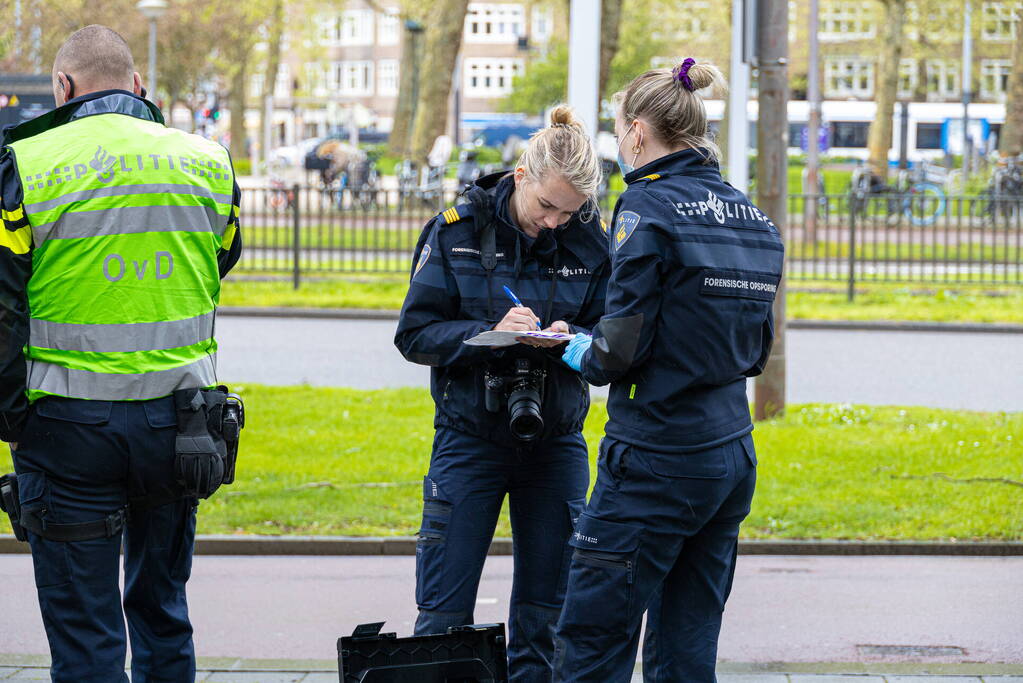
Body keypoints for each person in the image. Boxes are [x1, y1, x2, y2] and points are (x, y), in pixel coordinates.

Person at [0, 25, 242, 682]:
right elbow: (222, 256)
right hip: (182, 426)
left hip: (67, 428)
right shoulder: (207, 160)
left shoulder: (29, 163)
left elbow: (2, 303)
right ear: (140, 86)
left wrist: (12, 417)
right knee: (163, 609)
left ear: (63, 87)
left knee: (86, 634)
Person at [552, 59, 785, 682]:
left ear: (635, 132)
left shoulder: (645, 208)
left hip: (656, 455)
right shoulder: (753, 218)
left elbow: (616, 351)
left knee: (593, 638)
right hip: (731, 454)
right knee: (687, 645)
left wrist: (579, 347)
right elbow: (757, 349)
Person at [394, 105, 610, 682]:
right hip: (469, 439)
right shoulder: (457, 229)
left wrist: (578, 338)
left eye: (570, 212)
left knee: (549, 616)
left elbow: (617, 340)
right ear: (521, 176)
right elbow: (413, 334)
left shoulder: (592, 242)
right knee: (442, 616)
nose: (556, 223)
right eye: (547, 206)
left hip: (556, 439)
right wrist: (484, 337)